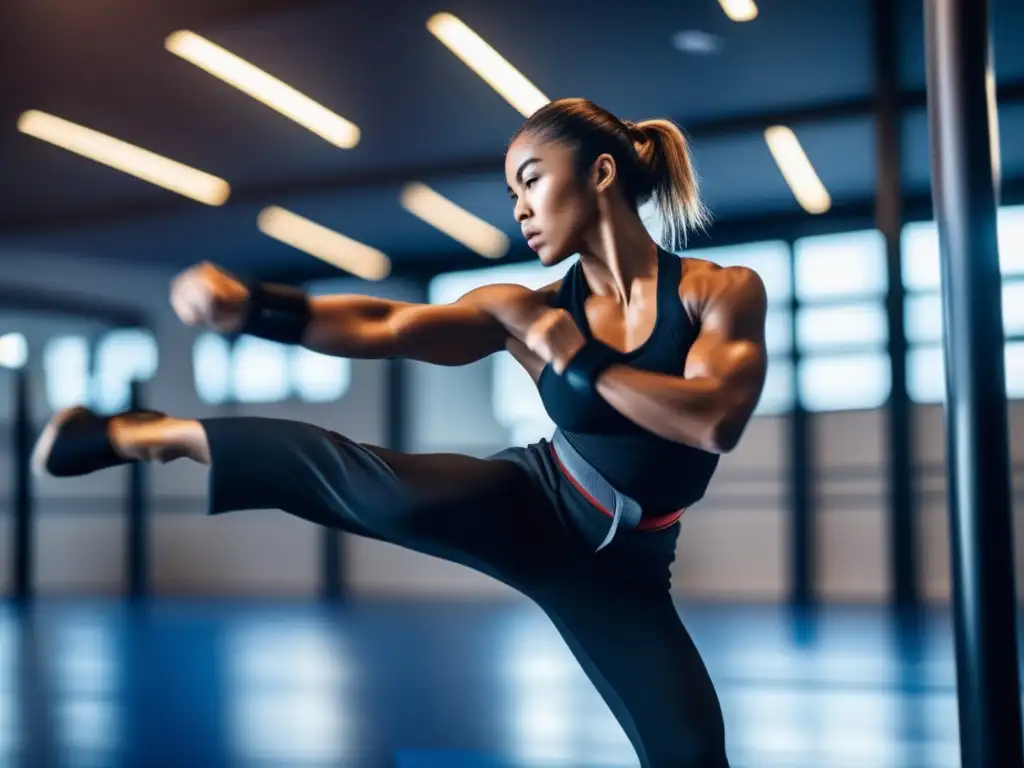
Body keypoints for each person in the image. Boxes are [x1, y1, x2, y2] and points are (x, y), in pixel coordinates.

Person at [33, 98, 768, 768]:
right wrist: (257, 310)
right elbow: (387, 324)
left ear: (601, 172)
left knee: (694, 754)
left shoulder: (718, 291)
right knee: (370, 487)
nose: (519, 208)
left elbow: (713, 419)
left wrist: (566, 356)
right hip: (538, 497)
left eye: (532, 181)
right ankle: (146, 434)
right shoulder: (525, 307)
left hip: (628, 573)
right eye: (512, 193)